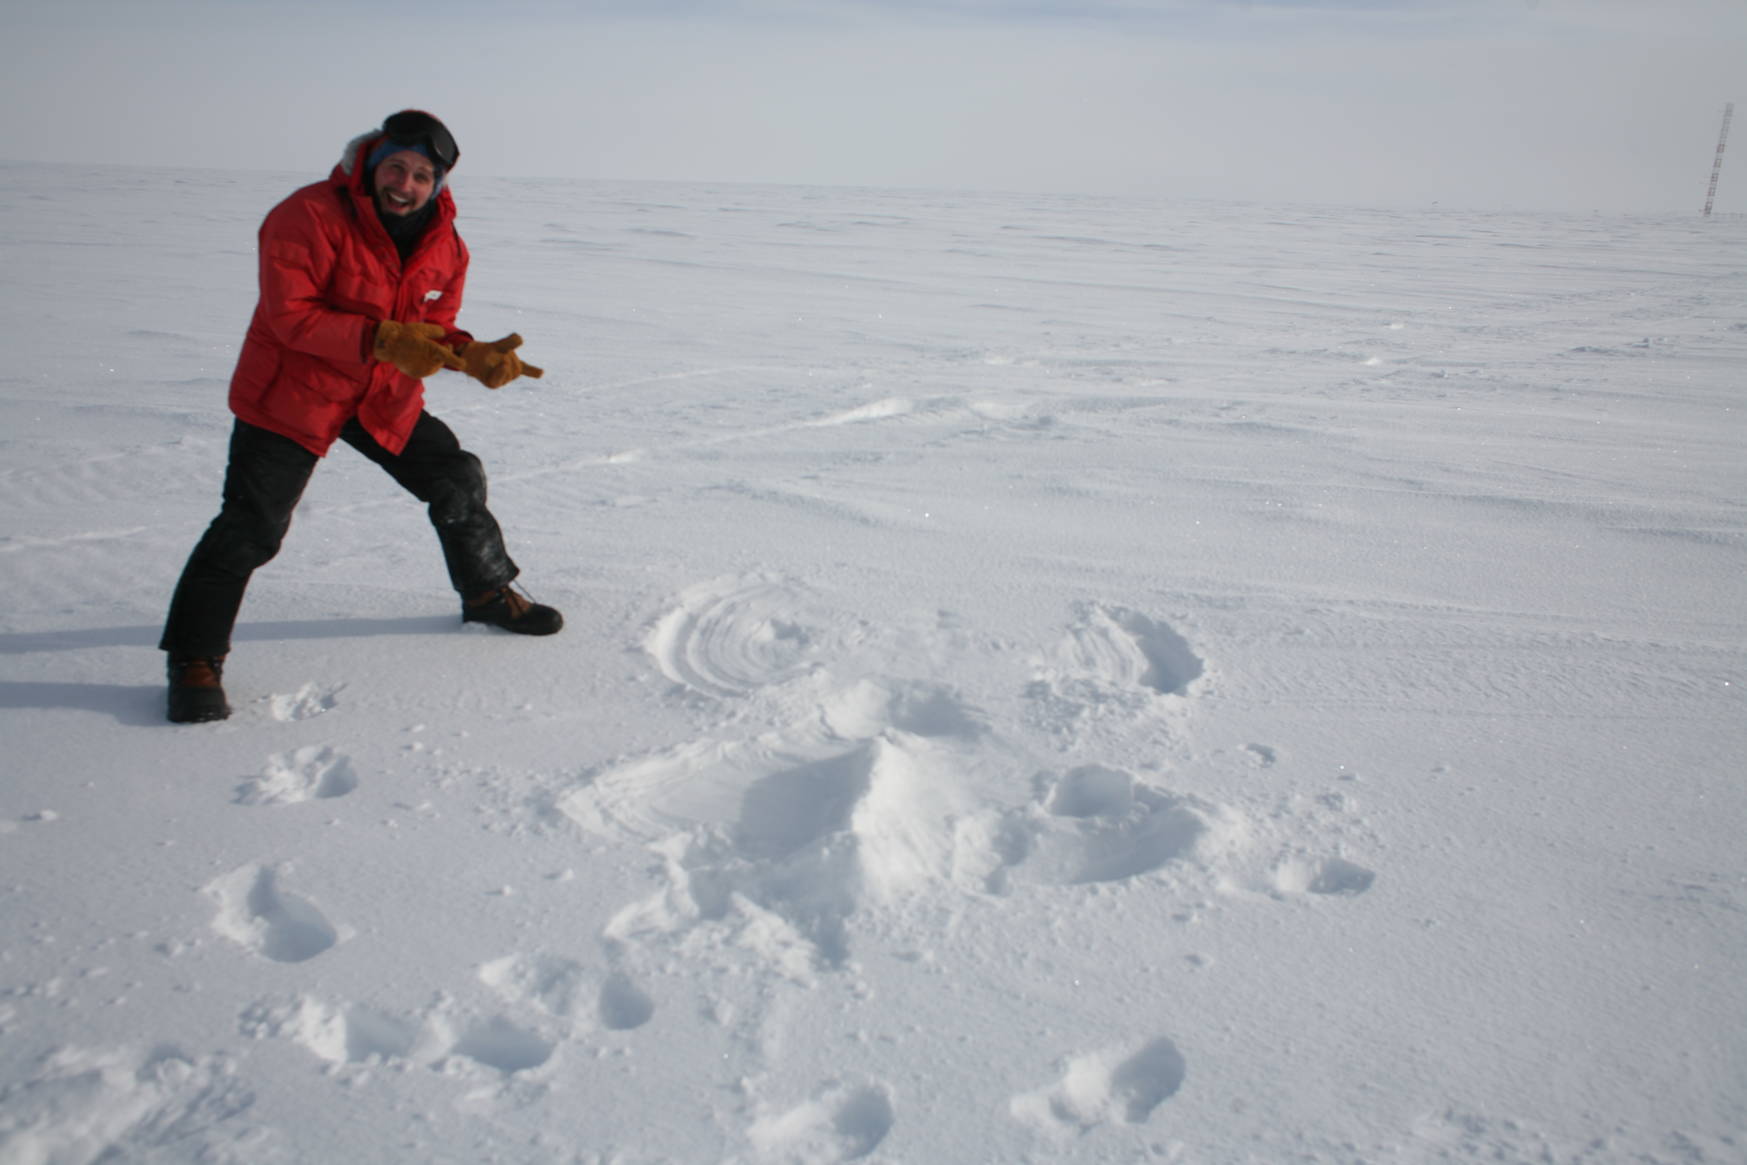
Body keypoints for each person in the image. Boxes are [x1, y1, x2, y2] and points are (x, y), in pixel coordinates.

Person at [159, 110, 561, 725]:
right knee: (252, 526)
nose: (406, 183)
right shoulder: (308, 215)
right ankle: (194, 658)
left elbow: (431, 330)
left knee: (455, 475)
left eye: (423, 175)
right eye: (396, 167)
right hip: (295, 391)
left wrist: (470, 355)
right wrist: (382, 339)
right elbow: (288, 315)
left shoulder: (446, 243)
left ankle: (484, 593)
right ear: (369, 164)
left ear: (438, 185)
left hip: (380, 394)